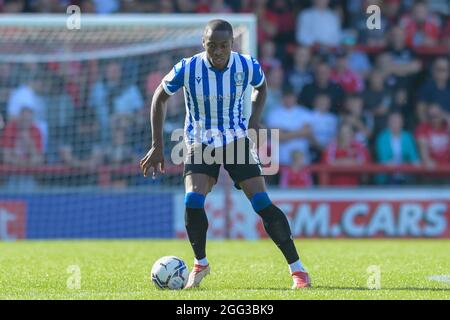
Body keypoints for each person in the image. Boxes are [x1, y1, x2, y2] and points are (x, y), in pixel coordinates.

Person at [140, 20, 311, 289]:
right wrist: (157, 145)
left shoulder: (246, 65)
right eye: (212, 45)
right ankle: (200, 263)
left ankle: (298, 271)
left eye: (223, 46)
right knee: (193, 199)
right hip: (199, 141)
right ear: (203, 43)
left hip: (235, 140)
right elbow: (159, 96)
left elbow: (262, 87)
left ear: (232, 44)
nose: (218, 51)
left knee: (262, 203)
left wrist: (254, 119)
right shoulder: (188, 67)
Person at [375, 112, 420, 184]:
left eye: (398, 121)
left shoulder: (407, 137)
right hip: (388, 175)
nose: (395, 124)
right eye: (393, 121)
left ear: (402, 123)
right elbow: (383, 159)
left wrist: (413, 165)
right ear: (388, 123)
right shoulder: (382, 137)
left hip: (406, 174)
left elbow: (414, 158)